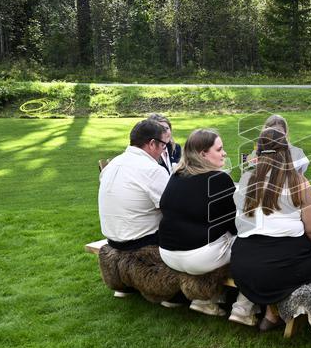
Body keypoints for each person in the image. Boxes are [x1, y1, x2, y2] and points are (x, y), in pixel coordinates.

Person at [232, 127, 311, 331]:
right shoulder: (297, 181)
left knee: (282, 261)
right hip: (278, 265)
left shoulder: (246, 180)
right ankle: (277, 311)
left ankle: (269, 310)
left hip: (242, 264)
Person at [157, 128, 238, 316]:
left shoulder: (175, 176)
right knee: (251, 240)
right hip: (199, 258)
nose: (224, 153)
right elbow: (234, 226)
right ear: (203, 154)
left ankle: (213, 297)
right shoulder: (219, 179)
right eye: (219, 149)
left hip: (168, 253)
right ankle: (246, 303)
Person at [97, 118, 173, 301]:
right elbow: (174, 207)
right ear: (152, 143)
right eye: (164, 145)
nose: (165, 150)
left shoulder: (114, 163)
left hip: (114, 239)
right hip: (141, 242)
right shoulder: (151, 170)